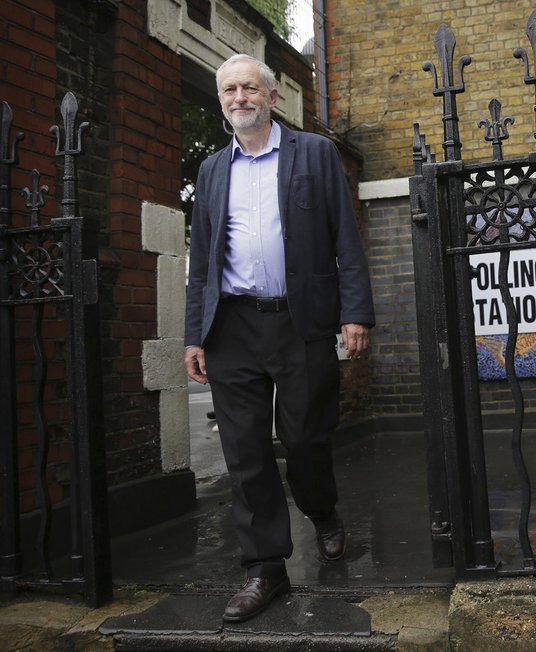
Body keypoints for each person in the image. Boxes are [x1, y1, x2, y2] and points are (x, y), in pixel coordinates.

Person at [183, 53, 375, 623]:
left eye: (248, 88)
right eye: (228, 91)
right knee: (243, 452)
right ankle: (264, 568)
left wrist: (355, 313)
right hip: (232, 326)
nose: (238, 98)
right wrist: (195, 334)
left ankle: (324, 513)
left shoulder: (313, 154)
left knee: (305, 440)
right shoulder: (213, 169)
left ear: (270, 96)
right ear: (222, 102)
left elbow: (346, 238)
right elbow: (202, 266)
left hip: (301, 321)